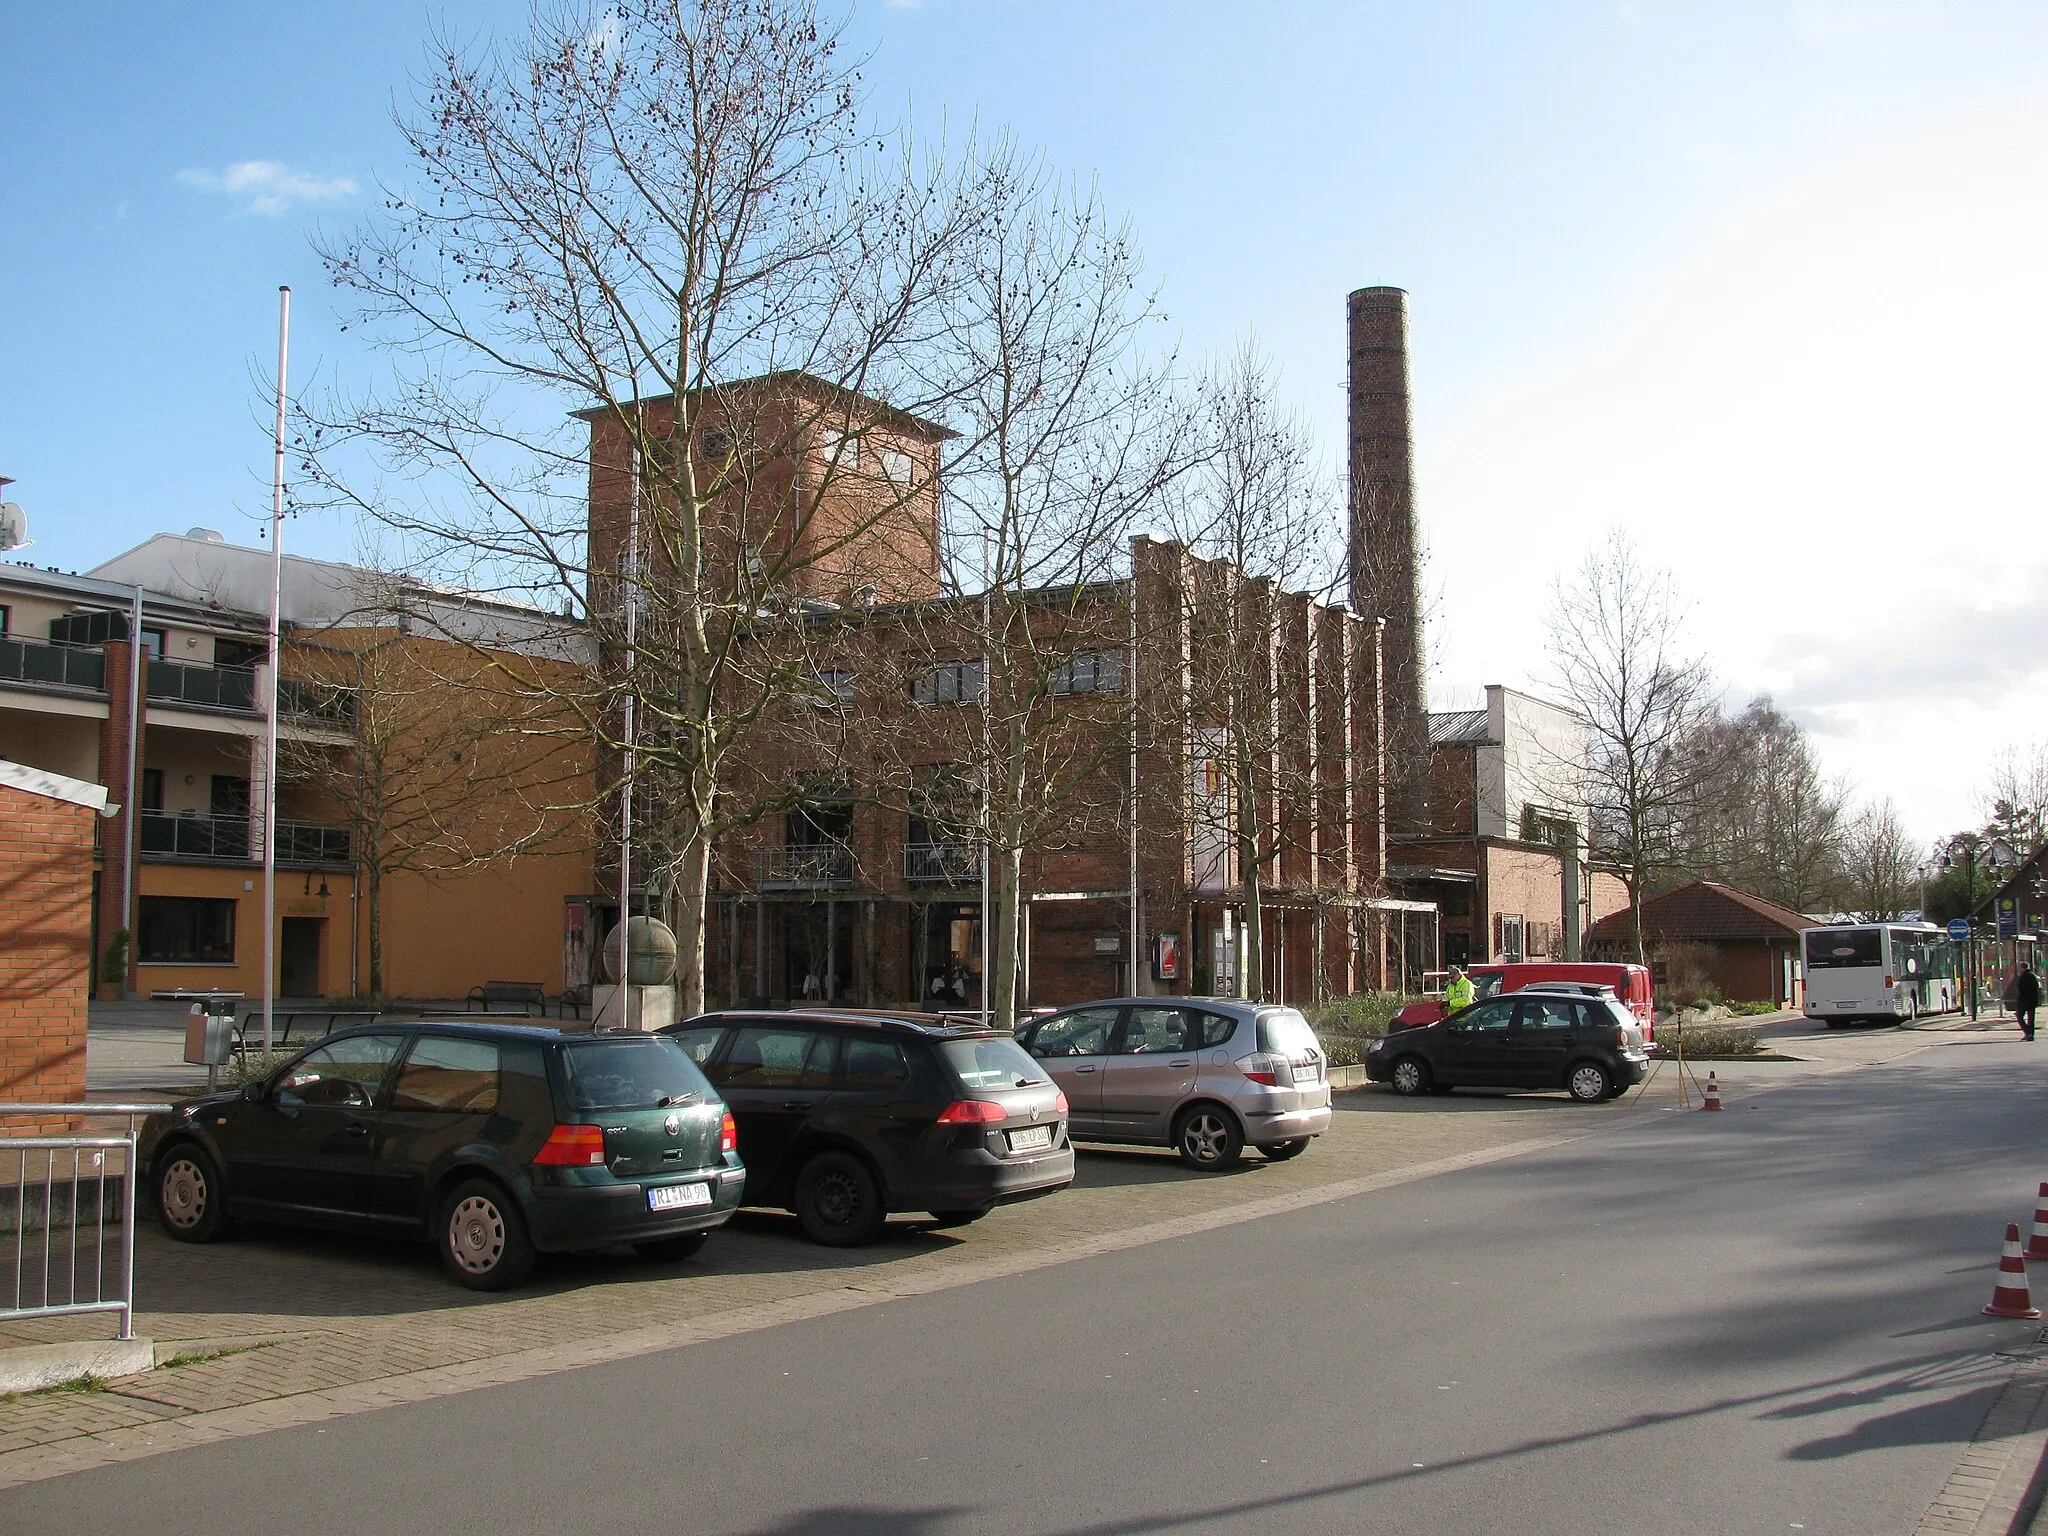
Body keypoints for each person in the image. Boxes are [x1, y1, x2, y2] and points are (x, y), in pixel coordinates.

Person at [2016, 964, 2041, 1042]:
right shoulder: (2033, 976)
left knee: (2019, 1017)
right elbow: (2037, 988)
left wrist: (2019, 999)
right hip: (2032, 1000)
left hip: (2024, 1000)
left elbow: (2021, 990)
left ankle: (2028, 1032)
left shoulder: (2023, 977)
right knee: (2031, 1018)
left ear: (2022, 968)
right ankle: (2030, 1034)